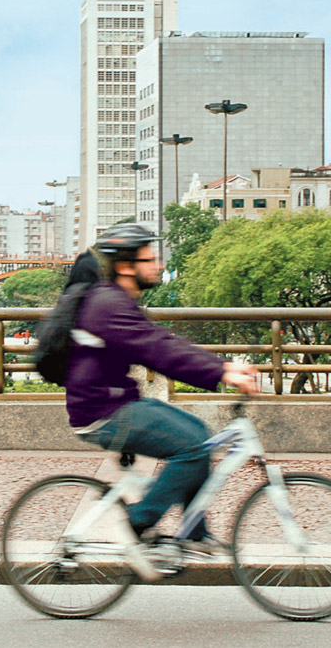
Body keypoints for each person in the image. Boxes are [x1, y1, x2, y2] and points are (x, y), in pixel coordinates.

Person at [65, 224, 258, 563]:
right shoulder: (108, 304)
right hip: (102, 412)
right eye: (150, 259)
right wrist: (223, 372)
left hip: (116, 401)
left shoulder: (118, 300)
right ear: (126, 266)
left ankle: (194, 534)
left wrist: (223, 366)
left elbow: (165, 342)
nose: (158, 265)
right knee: (191, 447)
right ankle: (138, 521)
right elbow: (159, 351)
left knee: (199, 436)